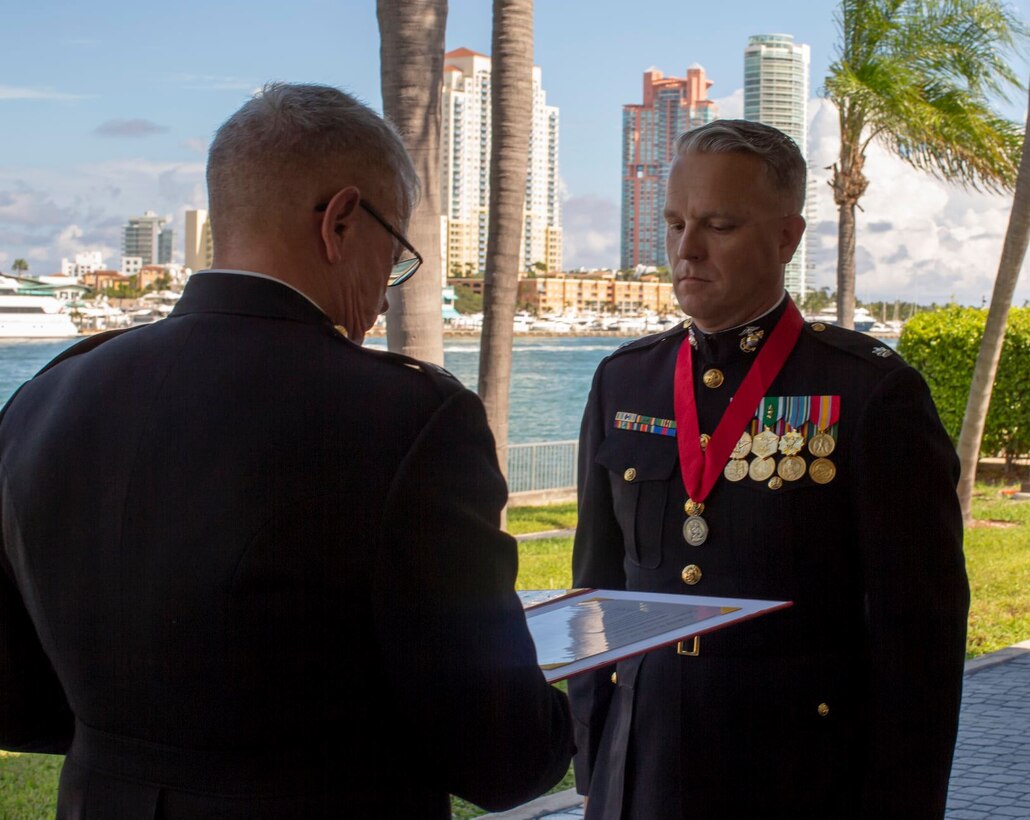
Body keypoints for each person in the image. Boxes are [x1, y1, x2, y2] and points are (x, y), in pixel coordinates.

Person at [0, 82, 573, 818]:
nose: (388, 295)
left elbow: (15, 697)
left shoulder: (48, 395)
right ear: (340, 221)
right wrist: (590, 701)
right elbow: (501, 758)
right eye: (395, 254)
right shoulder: (405, 421)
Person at [569, 119, 969, 819]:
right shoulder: (626, 382)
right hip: (643, 767)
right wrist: (595, 751)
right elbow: (598, 589)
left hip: (800, 776)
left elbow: (919, 637)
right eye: (674, 223)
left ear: (788, 237)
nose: (686, 250)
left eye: (718, 225)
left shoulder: (869, 393)